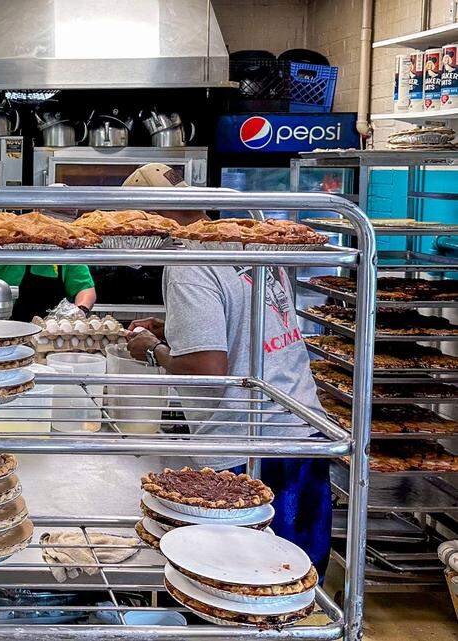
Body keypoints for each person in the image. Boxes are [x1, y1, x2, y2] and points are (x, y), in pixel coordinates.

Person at [121, 163, 332, 575]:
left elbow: (208, 368)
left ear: (151, 216)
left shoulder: (189, 263)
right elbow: (250, 324)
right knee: (300, 585)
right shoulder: (246, 240)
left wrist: (152, 349)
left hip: (247, 447)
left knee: (246, 585)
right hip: (301, 431)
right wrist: (176, 331)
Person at [0, 262, 96, 322]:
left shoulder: (65, 254)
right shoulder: (11, 249)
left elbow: (86, 289)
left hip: (48, 342)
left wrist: (80, 311)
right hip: (3, 337)